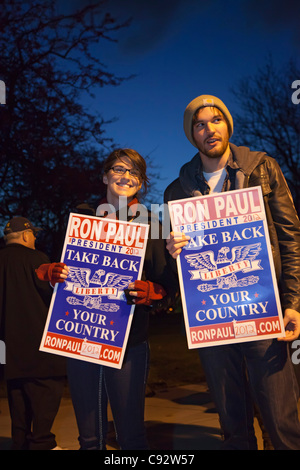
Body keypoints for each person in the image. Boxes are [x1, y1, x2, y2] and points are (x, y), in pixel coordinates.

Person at [164, 94, 300, 450]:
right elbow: (179, 266)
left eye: (216, 120)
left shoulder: (262, 168)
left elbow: (290, 236)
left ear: (228, 125)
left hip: (263, 310)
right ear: (192, 135)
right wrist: (173, 251)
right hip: (212, 318)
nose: (210, 129)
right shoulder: (176, 190)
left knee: (280, 417)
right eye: (200, 124)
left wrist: (293, 301)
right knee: (232, 423)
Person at [52, 148, 176, 450]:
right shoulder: (80, 218)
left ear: (142, 183)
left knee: (131, 435)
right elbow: (61, 270)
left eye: (134, 172)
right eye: (119, 169)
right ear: (105, 175)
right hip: (81, 336)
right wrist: (53, 273)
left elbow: (167, 285)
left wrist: (151, 292)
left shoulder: (153, 223)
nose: (126, 176)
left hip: (129, 340)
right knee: (90, 438)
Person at [0, 217, 67, 450]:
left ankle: (20, 444)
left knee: (17, 399)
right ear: (26, 235)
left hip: (7, 350)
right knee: (44, 397)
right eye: (34, 235)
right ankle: (42, 443)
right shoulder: (36, 259)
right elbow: (53, 296)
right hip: (39, 348)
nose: (36, 239)